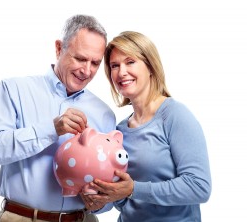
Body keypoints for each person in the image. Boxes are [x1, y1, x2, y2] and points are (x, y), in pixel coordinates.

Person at [0, 14, 116, 222]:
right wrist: (51, 129)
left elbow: (107, 195)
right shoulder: (14, 90)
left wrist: (100, 202)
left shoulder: (104, 114)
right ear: (59, 49)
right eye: (80, 58)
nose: (86, 70)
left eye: (95, 63)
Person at [82, 31, 212, 221]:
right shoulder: (119, 130)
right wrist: (99, 200)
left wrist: (135, 189)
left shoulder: (175, 115)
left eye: (130, 62)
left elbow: (199, 186)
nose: (121, 72)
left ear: (150, 66)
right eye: (114, 66)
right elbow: (123, 200)